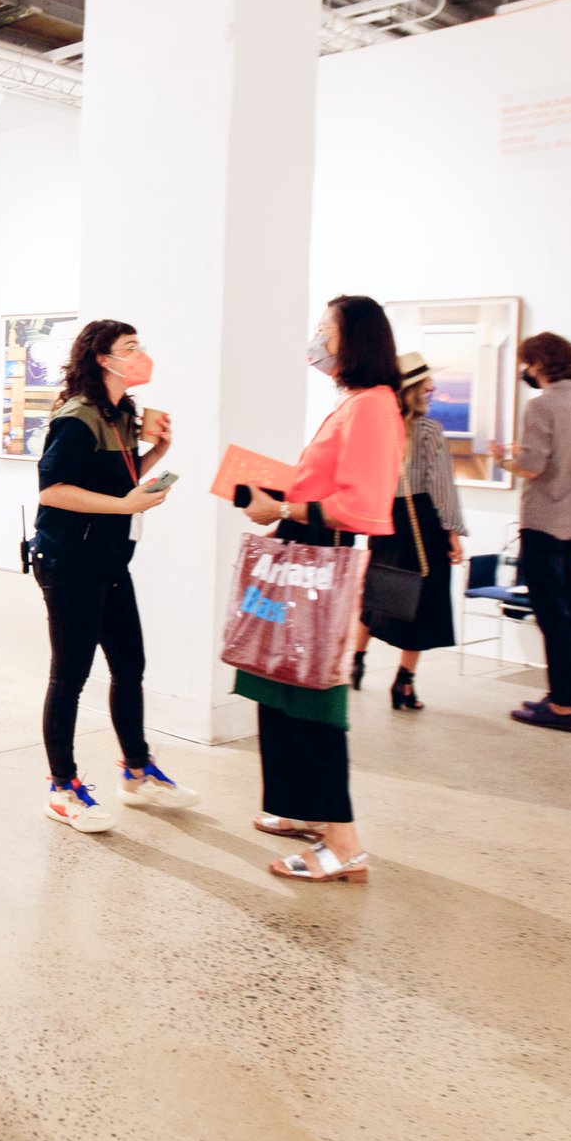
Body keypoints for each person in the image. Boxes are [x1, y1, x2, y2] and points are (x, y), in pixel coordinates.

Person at [235, 296, 402, 884]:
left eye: (324, 330)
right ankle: (303, 811)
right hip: (303, 556)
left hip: (320, 566)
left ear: (353, 339)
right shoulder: (354, 403)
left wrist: (281, 503)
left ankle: (345, 843)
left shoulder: (375, 407)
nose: (316, 339)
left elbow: (362, 506)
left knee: (312, 704)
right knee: (282, 694)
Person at [30, 319, 199, 834]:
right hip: (68, 563)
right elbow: (52, 490)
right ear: (104, 359)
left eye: (139, 345)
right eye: (130, 348)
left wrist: (157, 456)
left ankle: (136, 769)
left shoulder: (121, 413)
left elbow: (117, 482)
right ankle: (62, 788)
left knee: (130, 665)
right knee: (71, 675)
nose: (140, 354)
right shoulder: (78, 418)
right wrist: (123, 504)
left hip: (108, 561)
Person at [499, 333, 571, 732]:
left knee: (550, 615)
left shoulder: (541, 406)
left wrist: (506, 460)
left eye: (526, 363)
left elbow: (533, 467)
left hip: (543, 521)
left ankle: (561, 707)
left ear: (540, 364)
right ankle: (566, 696)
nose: (524, 371)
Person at [353, 351, 468, 710]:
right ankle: (404, 683)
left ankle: (355, 663)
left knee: (378, 592)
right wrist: (452, 531)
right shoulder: (429, 430)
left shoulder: (376, 429)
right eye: (426, 382)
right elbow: (441, 487)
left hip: (384, 518)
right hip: (422, 519)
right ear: (413, 389)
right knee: (423, 601)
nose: (433, 386)